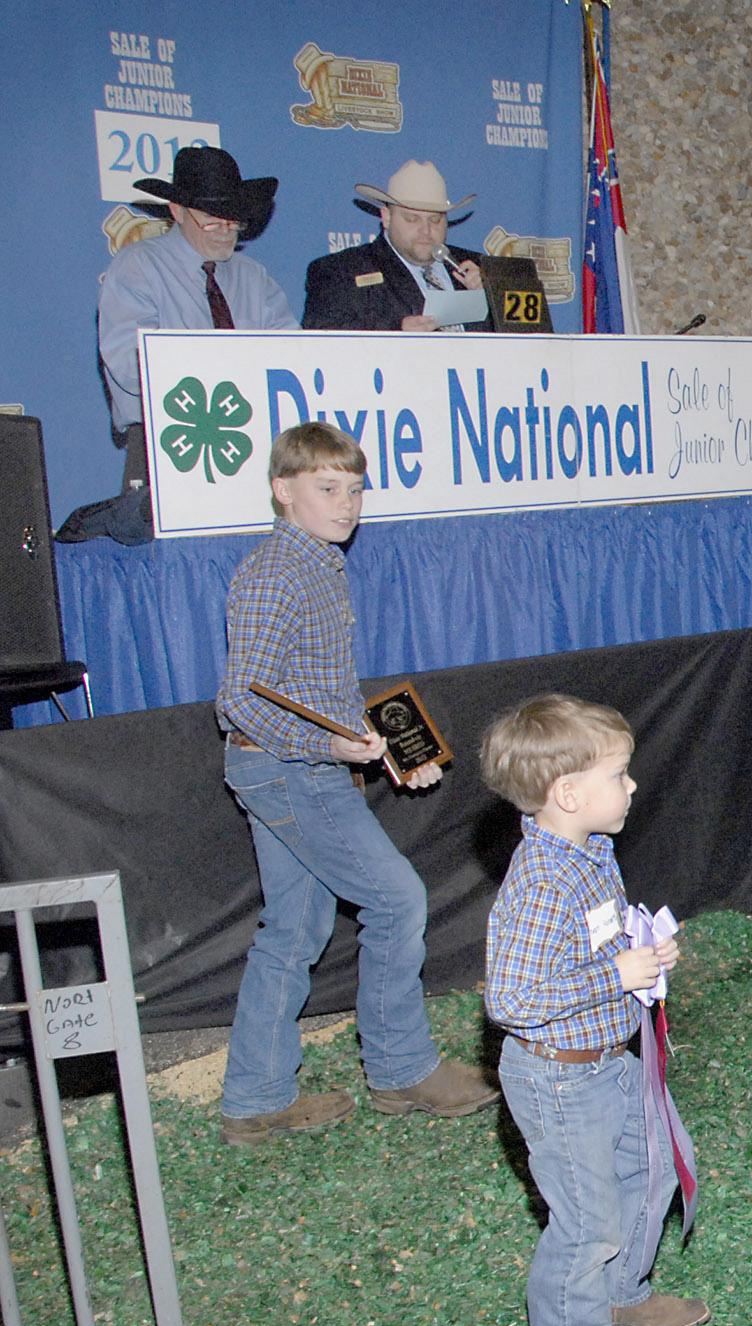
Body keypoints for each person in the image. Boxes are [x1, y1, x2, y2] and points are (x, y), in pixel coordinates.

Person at [214, 422, 499, 1145]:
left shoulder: (315, 564)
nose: (347, 504)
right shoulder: (277, 570)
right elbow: (240, 698)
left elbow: (310, 691)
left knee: (296, 927)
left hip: (295, 765)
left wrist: (397, 752)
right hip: (288, 770)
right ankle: (402, 1069)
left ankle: (256, 1096)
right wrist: (330, 744)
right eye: (327, 488)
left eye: (355, 489)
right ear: (283, 491)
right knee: (397, 899)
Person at [480, 693, 707, 1326]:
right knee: (587, 1220)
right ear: (569, 793)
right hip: (558, 1079)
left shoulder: (589, 852)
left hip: (608, 1060)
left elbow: (598, 940)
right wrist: (611, 974)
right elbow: (511, 1001)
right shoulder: (544, 883)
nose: (632, 785)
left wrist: (642, 950)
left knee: (657, 1165)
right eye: (619, 774)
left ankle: (620, 1292)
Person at [97, 145, 296, 433]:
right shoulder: (138, 267)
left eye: (234, 221)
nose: (225, 231)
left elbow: (290, 354)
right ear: (178, 211)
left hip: (253, 431)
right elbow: (132, 367)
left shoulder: (254, 277)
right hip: (167, 436)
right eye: (212, 221)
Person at [302, 160, 488, 332]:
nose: (426, 230)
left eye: (435, 220)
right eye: (412, 219)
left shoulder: (481, 267)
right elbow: (320, 330)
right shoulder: (342, 271)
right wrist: (395, 332)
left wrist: (491, 297)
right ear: (387, 217)